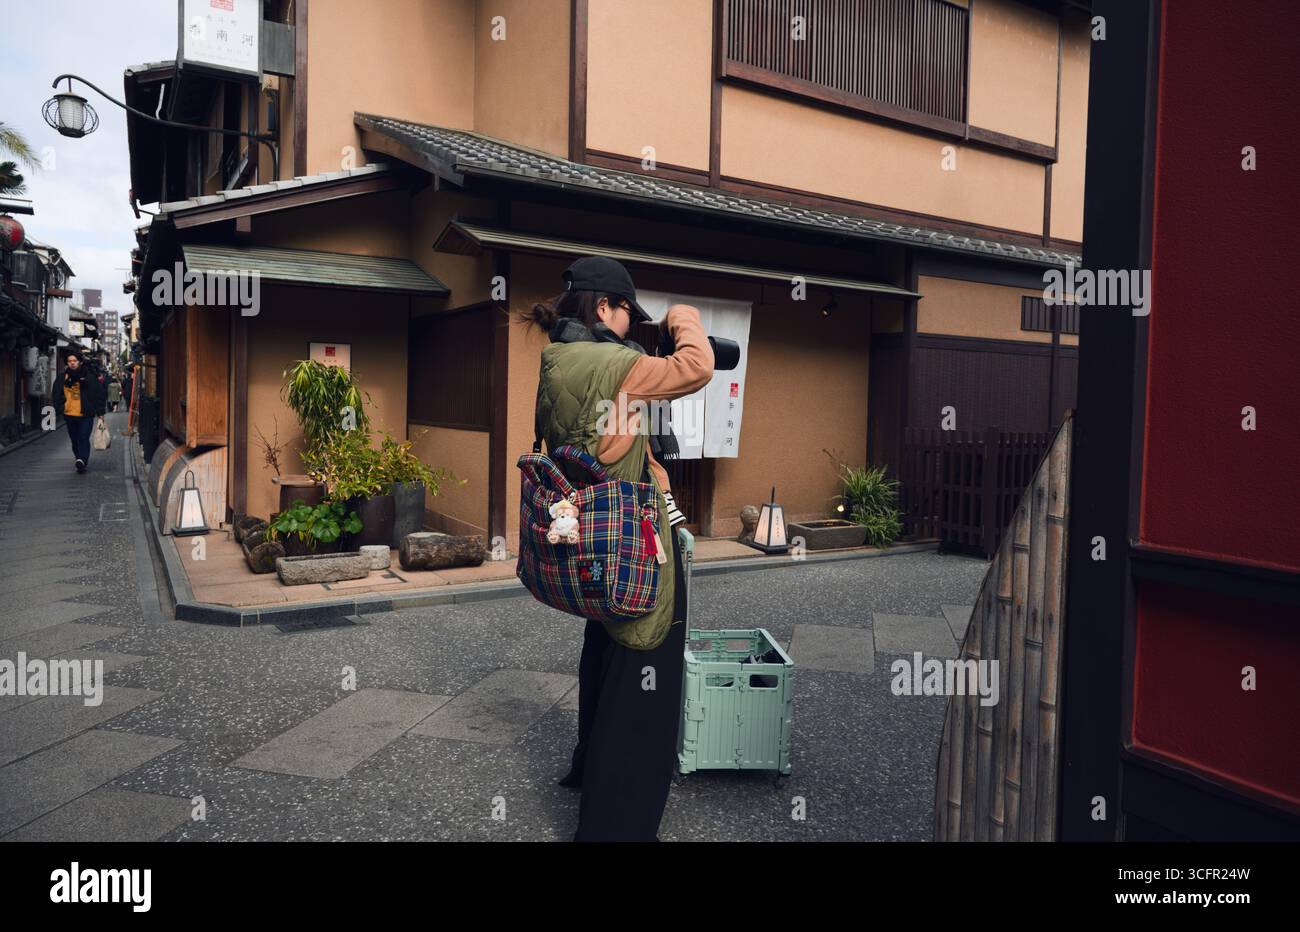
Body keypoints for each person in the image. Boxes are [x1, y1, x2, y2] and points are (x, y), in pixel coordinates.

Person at [520, 256, 714, 842]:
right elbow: (698, 366)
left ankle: (589, 771)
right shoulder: (619, 365)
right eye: (629, 311)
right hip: (633, 551)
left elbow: (602, 444)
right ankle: (615, 825)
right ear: (604, 308)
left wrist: (645, 457)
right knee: (643, 666)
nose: (632, 323)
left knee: (602, 657)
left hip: (595, 547)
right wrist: (684, 317)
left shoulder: (557, 359)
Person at [53, 353, 106, 473]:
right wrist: (60, 408)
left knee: (83, 437)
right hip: (69, 414)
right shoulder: (62, 378)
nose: (72, 363)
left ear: (80, 362)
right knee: (74, 439)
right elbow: (56, 394)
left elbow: (98, 394)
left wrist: (100, 412)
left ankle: (82, 460)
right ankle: (79, 459)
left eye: (75, 360)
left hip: (85, 414)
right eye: (69, 361)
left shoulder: (89, 377)